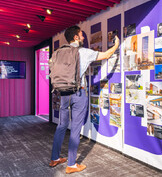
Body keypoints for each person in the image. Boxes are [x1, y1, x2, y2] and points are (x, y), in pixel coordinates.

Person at [49, 25, 120, 174]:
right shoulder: (83, 52)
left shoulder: (58, 52)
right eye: (81, 35)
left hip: (63, 93)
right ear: (75, 37)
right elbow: (106, 55)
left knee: (61, 126)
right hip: (78, 93)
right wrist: (117, 44)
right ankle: (72, 164)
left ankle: (55, 158)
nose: (83, 38)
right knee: (75, 127)